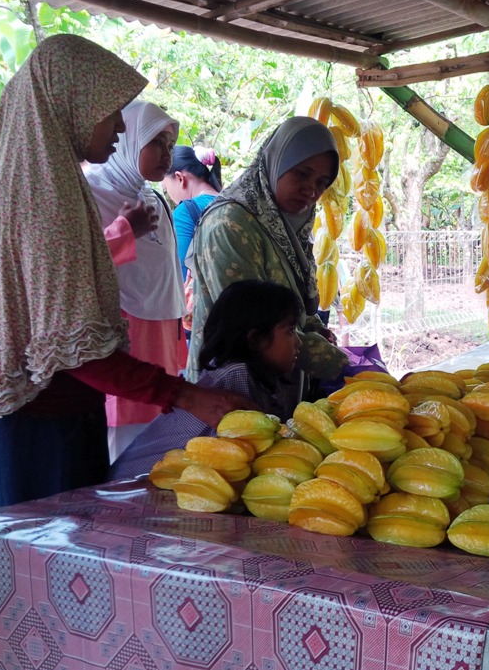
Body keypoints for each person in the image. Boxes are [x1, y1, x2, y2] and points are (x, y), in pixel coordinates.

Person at [0, 34, 252, 511]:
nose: (118, 127)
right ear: (69, 103)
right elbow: (74, 349)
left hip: (45, 416)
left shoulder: (37, 183)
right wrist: (185, 396)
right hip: (44, 428)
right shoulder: (46, 200)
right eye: (110, 110)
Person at [187, 116, 348, 392]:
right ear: (276, 163)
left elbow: (285, 301)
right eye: (301, 173)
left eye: (322, 182)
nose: (311, 190)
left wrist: (313, 327)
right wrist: (342, 364)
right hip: (230, 396)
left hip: (274, 393)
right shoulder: (230, 223)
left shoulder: (288, 224)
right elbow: (251, 324)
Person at [109, 279, 303, 481]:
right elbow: (242, 459)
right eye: (290, 331)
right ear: (255, 340)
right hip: (133, 484)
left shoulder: (237, 372)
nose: (298, 343)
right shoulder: (236, 375)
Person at [85, 101, 189, 460]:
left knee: (156, 452)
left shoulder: (154, 199)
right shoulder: (90, 194)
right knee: (120, 452)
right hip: (122, 346)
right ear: (127, 140)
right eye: (156, 142)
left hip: (160, 340)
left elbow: (167, 283)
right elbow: (77, 264)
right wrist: (125, 231)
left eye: (170, 144)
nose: (167, 154)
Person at [162, 144, 223, 279]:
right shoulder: (230, 201)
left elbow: (181, 274)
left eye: (166, 188)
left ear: (179, 178)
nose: (168, 193)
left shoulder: (185, 212)